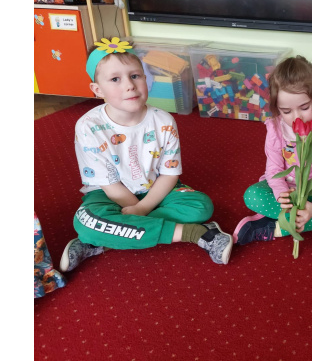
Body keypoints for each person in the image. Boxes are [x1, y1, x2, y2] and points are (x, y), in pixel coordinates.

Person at [59, 37, 232, 272]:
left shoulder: (163, 120)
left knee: (201, 206)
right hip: (108, 195)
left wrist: (142, 209)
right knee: (85, 222)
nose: (129, 85)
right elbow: (109, 185)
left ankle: (102, 241)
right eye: (115, 79)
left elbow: (169, 174)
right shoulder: (88, 126)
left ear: (146, 78)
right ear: (97, 90)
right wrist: (137, 208)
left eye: (135, 76)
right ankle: (196, 233)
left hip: (157, 189)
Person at [233, 55, 312, 246]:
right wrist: (283, 197)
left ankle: (274, 227)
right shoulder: (276, 129)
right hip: (286, 190)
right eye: (286, 111)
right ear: (278, 108)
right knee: (252, 196)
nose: (297, 117)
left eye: (305, 107)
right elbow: (274, 171)